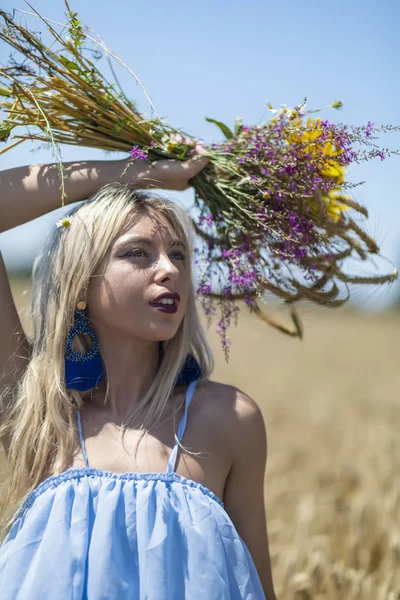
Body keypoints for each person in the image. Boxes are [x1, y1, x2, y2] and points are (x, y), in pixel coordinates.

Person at [0, 155, 277, 599]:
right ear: (80, 284)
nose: (170, 270)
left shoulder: (228, 419)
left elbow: (256, 585)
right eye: (137, 253)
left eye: (179, 254)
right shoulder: (40, 414)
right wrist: (136, 170)